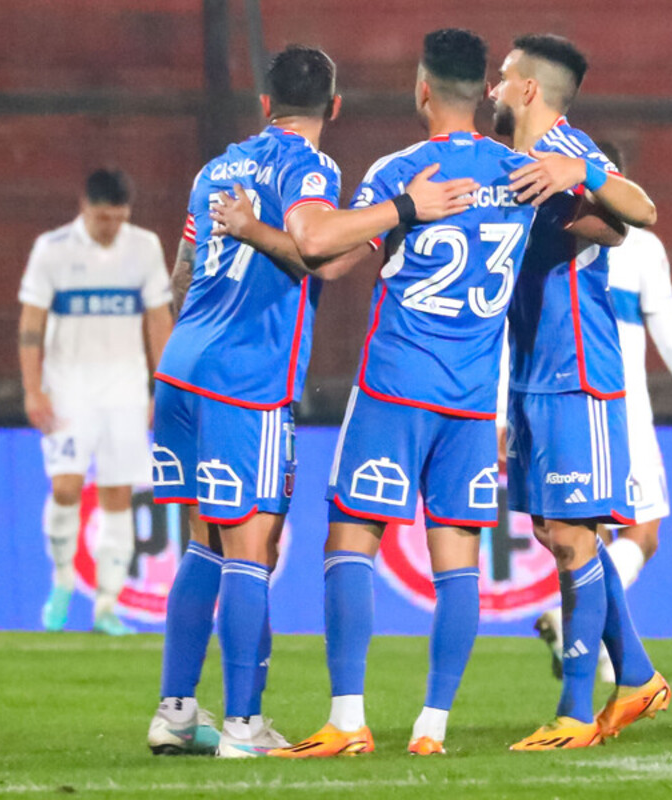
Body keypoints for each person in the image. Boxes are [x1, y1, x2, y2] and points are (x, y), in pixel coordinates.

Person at [146, 44, 476, 758]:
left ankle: (175, 711)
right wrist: (402, 208)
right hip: (246, 381)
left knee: (205, 540)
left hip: (181, 366)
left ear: (264, 103)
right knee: (250, 547)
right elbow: (311, 239)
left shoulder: (216, 168)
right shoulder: (310, 166)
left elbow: (183, 272)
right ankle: (242, 725)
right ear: (333, 108)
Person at [489, 34, 671, 750]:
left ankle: (573, 710)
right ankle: (639, 677)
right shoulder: (511, 163)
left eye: (504, 78)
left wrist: (582, 171)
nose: (494, 89)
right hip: (531, 368)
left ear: (529, 89)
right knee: (557, 531)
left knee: (574, 537)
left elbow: (640, 213)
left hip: (579, 371)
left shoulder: (570, 147)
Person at [532, 140, 672, 684]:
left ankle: (608, 657)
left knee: (579, 533)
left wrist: (500, 412)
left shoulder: (542, 226)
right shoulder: (639, 243)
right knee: (641, 534)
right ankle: (579, 637)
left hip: (550, 395)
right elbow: (668, 325)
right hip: (619, 402)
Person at [17, 169, 174, 636]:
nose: (109, 227)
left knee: (118, 492)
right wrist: (32, 388)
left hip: (124, 386)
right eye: (102, 218)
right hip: (68, 386)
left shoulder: (144, 246)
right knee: (66, 487)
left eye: (117, 218)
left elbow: (158, 319)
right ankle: (63, 578)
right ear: (84, 208)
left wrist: (160, 386)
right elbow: (31, 322)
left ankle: (107, 604)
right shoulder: (54, 249)